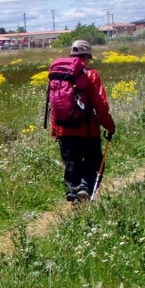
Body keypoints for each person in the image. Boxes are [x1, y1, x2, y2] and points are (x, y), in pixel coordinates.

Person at [51, 40, 116, 203]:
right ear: (87, 57)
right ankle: (85, 190)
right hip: (87, 130)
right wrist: (109, 126)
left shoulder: (58, 74)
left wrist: (55, 130)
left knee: (71, 165)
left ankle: (74, 194)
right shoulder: (91, 75)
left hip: (64, 131)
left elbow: (54, 105)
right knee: (93, 162)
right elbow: (101, 105)